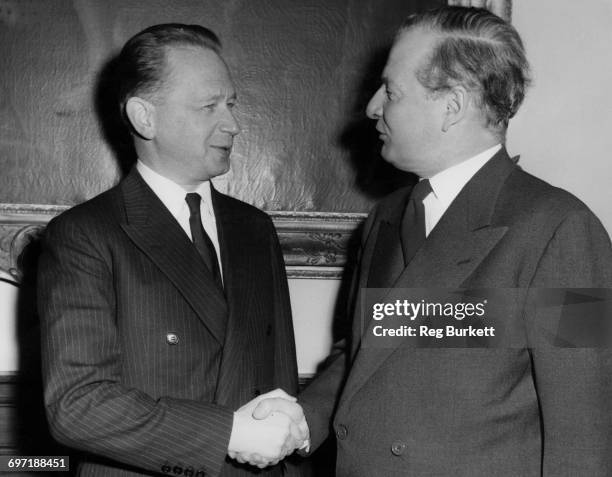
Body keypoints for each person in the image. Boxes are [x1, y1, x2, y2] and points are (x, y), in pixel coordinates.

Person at [254, 6, 612, 476]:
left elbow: (584, 432)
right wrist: (304, 417)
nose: (372, 107)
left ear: (452, 106)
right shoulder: (386, 217)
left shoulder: (563, 229)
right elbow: (369, 351)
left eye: (392, 90)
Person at [38, 24, 307, 477]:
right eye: (209, 106)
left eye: (232, 104)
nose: (233, 125)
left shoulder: (255, 229)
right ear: (145, 117)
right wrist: (227, 434)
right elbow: (76, 405)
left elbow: (280, 382)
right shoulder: (84, 234)